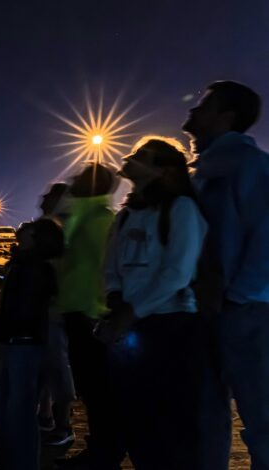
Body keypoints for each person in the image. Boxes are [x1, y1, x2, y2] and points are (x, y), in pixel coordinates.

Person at [98, 137, 208, 469]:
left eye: (141, 155)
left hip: (170, 327)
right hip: (131, 326)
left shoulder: (182, 209)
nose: (129, 157)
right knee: (137, 423)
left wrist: (130, 312)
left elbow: (177, 273)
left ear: (163, 170)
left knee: (169, 426)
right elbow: (110, 267)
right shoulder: (127, 214)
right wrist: (116, 300)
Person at [184, 80, 269, 469]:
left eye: (204, 106)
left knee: (261, 418)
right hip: (207, 311)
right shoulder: (204, 171)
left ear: (226, 117)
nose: (192, 112)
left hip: (245, 313)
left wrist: (237, 295)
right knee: (204, 416)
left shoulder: (251, 167)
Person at [53, 163, 126, 469]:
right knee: (93, 391)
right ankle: (101, 450)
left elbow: (103, 271)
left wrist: (96, 314)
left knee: (98, 392)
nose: (73, 180)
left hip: (88, 316)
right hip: (78, 312)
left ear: (96, 185)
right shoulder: (84, 215)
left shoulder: (98, 219)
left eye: (82, 177)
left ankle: (105, 455)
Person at [0, 218, 64, 469]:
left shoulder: (34, 268)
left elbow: (28, 310)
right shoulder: (26, 264)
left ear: (37, 238)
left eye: (31, 227)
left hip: (25, 344)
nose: (24, 226)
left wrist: (5, 324)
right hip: (18, 342)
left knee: (18, 413)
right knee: (8, 410)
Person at [36, 182, 76, 447]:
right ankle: (45, 416)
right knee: (46, 366)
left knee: (59, 368)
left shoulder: (65, 228)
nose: (43, 197)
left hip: (57, 308)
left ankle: (63, 425)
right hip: (45, 308)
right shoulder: (50, 225)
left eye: (50, 194)